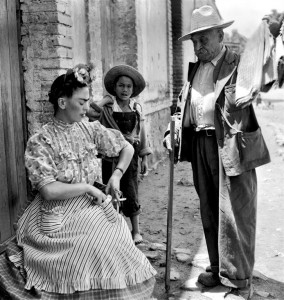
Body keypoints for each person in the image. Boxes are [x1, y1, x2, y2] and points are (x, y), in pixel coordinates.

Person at [0, 64, 156, 299]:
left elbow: (126, 147)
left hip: (92, 209)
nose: (88, 108)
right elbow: (49, 190)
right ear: (63, 103)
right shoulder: (40, 140)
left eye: (88, 101)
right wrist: (87, 188)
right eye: (82, 102)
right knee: (87, 250)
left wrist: (116, 175)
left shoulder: (90, 129)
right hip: (57, 213)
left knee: (116, 243)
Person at [164, 6, 271, 300]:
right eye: (194, 42)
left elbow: (264, 78)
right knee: (209, 211)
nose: (198, 47)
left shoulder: (239, 63)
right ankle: (216, 267)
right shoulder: (195, 69)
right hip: (200, 144)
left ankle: (239, 278)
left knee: (236, 213)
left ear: (220, 35)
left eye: (203, 40)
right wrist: (170, 129)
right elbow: (182, 106)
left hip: (232, 145)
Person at [87, 65, 152, 245]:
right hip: (109, 157)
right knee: (110, 191)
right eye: (121, 86)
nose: (125, 90)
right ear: (114, 88)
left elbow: (142, 134)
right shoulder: (107, 108)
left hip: (131, 157)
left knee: (131, 191)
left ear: (133, 89)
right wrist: (104, 100)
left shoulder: (137, 108)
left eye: (129, 86)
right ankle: (115, 229)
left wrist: (144, 157)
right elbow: (90, 114)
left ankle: (136, 231)